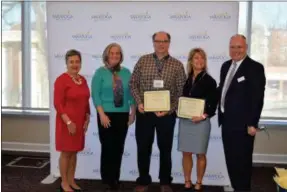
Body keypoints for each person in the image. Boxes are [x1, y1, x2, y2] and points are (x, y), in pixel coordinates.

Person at [129, 31, 186, 192]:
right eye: (158, 41)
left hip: (166, 115)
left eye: (165, 41)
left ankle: (165, 181)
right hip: (144, 113)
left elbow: (182, 90)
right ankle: (143, 180)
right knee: (143, 147)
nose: (161, 44)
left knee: (165, 148)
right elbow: (133, 84)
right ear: (153, 42)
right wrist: (139, 103)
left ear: (169, 43)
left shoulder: (177, 65)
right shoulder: (143, 61)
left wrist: (170, 109)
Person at [218, 34, 266, 191]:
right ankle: (236, 187)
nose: (235, 50)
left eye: (239, 47)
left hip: (244, 126)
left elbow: (257, 98)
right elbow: (222, 91)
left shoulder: (255, 68)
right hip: (227, 123)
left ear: (246, 47)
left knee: (242, 165)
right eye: (232, 47)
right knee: (231, 162)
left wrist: (253, 123)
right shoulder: (225, 66)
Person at [91, 43, 136, 191]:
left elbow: (131, 94)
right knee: (108, 147)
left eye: (117, 53)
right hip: (106, 114)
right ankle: (107, 179)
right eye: (112, 53)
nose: (115, 55)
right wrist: (101, 114)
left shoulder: (126, 73)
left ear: (120, 56)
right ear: (107, 55)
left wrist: (132, 113)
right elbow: (96, 95)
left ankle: (115, 178)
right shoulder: (100, 72)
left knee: (118, 147)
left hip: (122, 114)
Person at [178, 48, 217, 191]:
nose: (199, 61)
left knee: (200, 153)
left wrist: (202, 116)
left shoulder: (210, 81)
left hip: (201, 122)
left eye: (202, 58)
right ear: (191, 61)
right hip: (186, 121)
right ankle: (187, 180)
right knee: (186, 152)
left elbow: (213, 104)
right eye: (196, 58)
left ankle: (199, 181)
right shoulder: (186, 79)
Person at [54, 49, 90, 192]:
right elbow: (58, 104)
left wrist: (87, 117)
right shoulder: (61, 80)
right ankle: (64, 182)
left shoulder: (83, 80)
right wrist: (68, 122)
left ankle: (71, 180)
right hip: (66, 123)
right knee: (66, 152)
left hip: (80, 122)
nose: (75, 64)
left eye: (77, 62)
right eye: (71, 62)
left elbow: (86, 100)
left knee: (74, 152)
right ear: (66, 63)